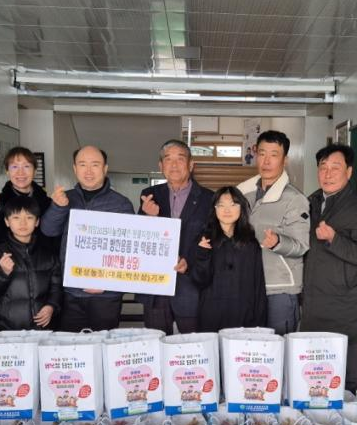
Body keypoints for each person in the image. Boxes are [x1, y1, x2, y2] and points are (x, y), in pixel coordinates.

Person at [300, 143, 357, 393]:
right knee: (314, 373)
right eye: (323, 167)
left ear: (349, 171)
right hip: (313, 302)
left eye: (335, 167)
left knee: (347, 376)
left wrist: (334, 238)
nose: (328, 173)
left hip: (344, 306)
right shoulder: (310, 202)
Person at [41, 145, 134, 331]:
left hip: (107, 295)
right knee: (72, 344)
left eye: (95, 165)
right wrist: (58, 207)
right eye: (82, 164)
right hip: (71, 291)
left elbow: (129, 250)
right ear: (75, 168)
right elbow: (48, 230)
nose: (88, 171)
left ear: (105, 169)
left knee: (104, 343)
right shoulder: (65, 198)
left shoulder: (121, 204)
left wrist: (108, 283)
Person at [137, 139, 214, 334]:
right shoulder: (149, 195)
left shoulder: (209, 199)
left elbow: (213, 239)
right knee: (156, 342)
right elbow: (138, 239)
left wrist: (190, 262)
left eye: (180, 159)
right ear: (160, 166)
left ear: (191, 164)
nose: (174, 165)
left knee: (194, 344)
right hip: (156, 286)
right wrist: (149, 218)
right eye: (168, 159)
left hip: (191, 287)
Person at [237, 130, 310, 335]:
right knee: (253, 345)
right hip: (249, 284)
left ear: (285, 160)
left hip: (280, 288)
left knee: (280, 343)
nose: (266, 161)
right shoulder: (243, 194)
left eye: (274, 154)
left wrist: (278, 242)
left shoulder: (295, 199)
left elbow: (301, 246)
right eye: (262, 154)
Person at [0, 195, 62, 332]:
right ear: (7, 221)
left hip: (41, 331)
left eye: (29, 217)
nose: (23, 223)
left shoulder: (48, 255)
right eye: (16, 218)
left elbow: (56, 287)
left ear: (37, 222)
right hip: (6, 330)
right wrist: (2, 274)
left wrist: (51, 306)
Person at [190, 186, 267, 332]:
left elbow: (258, 286)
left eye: (233, 204)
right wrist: (202, 255)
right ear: (214, 209)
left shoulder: (250, 243)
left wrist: (260, 324)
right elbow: (199, 281)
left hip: (245, 317)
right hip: (212, 316)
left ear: (241, 208)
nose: (227, 210)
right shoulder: (204, 240)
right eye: (221, 205)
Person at [0, 146, 52, 247]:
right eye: (14, 167)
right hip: (7, 257)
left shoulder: (46, 202)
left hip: (42, 257)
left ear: (35, 171)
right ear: (7, 171)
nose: (20, 172)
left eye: (26, 166)